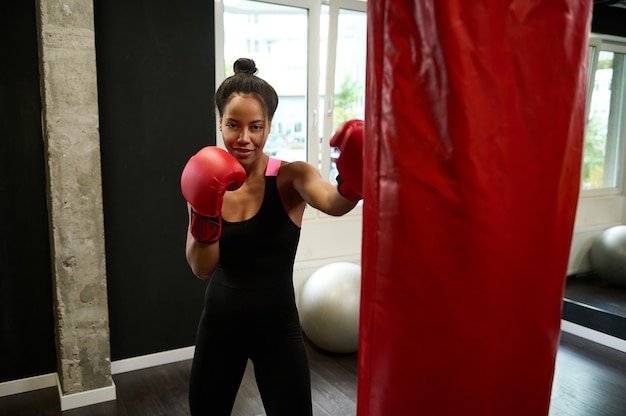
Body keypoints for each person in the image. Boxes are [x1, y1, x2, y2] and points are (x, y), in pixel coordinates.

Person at [181, 57, 364, 415]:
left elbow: (336, 203)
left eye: (256, 126)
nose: (244, 138)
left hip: (277, 326)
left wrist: (354, 176)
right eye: (233, 125)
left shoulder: (292, 177)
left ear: (269, 127)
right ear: (220, 123)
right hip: (220, 323)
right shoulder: (204, 178)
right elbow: (202, 267)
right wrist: (206, 208)